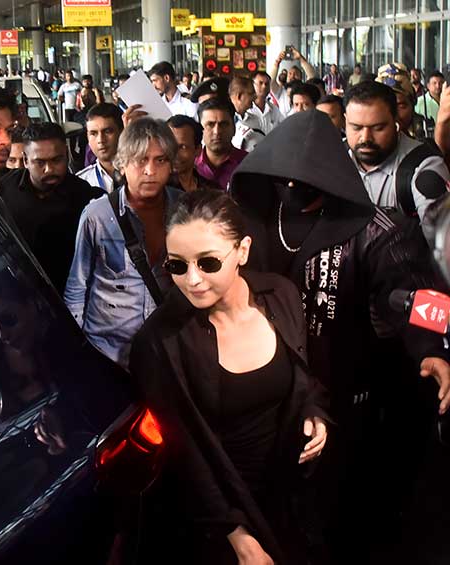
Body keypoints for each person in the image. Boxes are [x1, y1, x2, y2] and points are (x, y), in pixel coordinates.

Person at [230, 109, 450, 563]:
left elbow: (410, 291)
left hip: (343, 389)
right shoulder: (247, 221)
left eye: (303, 178)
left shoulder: (371, 228)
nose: (291, 186)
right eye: (283, 176)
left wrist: (432, 349)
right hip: (261, 388)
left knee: (340, 504)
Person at [130, 190, 331, 564]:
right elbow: (183, 450)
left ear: (242, 250)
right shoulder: (159, 343)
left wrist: (314, 414)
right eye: (177, 265)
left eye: (208, 263)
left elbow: (305, 377)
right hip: (219, 510)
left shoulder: (281, 295)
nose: (192, 280)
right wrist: (235, 533)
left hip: (292, 495)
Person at [65, 118, 180, 368]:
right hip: (107, 353)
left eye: (160, 160)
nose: (150, 170)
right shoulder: (97, 216)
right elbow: (77, 288)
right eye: (140, 160)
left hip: (165, 350)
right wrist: (77, 353)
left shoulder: (185, 210)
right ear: (123, 163)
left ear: (171, 164)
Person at [0, 123, 102, 294]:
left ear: (67, 155)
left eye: (56, 160)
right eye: (40, 162)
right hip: (17, 291)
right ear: (25, 160)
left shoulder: (86, 198)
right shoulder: (4, 190)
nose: (49, 169)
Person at [344, 80, 449, 233]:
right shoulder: (332, 157)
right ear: (345, 120)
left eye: (378, 128)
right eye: (356, 127)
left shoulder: (424, 168)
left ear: (396, 121)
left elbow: (442, 246)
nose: (365, 138)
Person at [195, 97, 247, 190]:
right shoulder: (191, 166)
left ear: (234, 128)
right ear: (200, 130)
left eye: (223, 124)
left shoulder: (249, 165)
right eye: (210, 124)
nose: (217, 131)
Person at [167, 115, 222, 192]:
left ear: (198, 150)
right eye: (169, 145)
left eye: (183, 147)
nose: (174, 153)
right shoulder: (156, 190)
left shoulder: (212, 191)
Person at [376, 62, 429, 142]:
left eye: (400, 106)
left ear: (412, 104)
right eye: (384, 105)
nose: (393, 112)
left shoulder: (426, 147)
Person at [77, 103, 123, 193]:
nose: (101, 140)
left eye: (107, 131)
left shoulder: (141, 174)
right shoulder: (80, 183)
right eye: (93, 133)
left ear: (121, 132)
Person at [270, 46, 317, 116]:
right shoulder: (281, 92)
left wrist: (301, 58)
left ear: (301, 78)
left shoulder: (306, 91)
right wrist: (277, 62)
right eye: (290, 74)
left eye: (296, 74)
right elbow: (271, 81)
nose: (292, 76)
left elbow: (312, 76)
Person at [229, 76, 265, 152]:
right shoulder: (223, 119)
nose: (255, 97)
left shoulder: (255, 119)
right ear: (239, 96)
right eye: (251, 93)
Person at [247, 71, 284, 135]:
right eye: (260, 83)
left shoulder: (274, 109)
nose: (264, 86)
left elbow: (284, 127)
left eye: (267, 84)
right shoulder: (246, 109)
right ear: (252, 85)